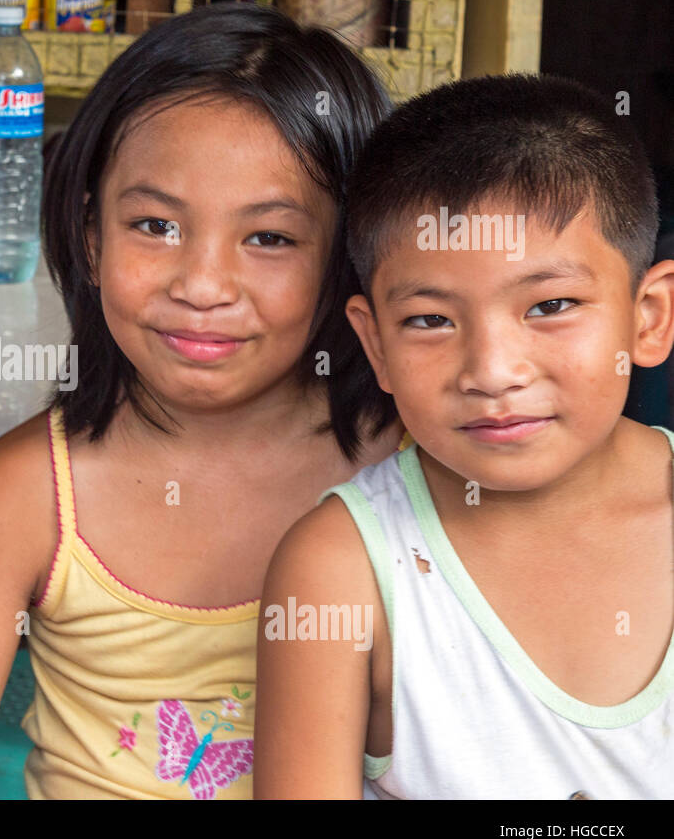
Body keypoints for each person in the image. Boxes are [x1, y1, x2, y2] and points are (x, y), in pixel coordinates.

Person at [0, 2, 402, 800]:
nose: (201, 285)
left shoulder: (406, 471)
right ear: (90, 238)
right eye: (155, 225)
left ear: (348, 258)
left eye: (269, 238)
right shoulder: (26, 495)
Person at [255, 74, 674, 799]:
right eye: (430, 320)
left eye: (550, 305)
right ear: (375, 344)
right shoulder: (344, 567)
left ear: (649, 316)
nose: (492, 371)